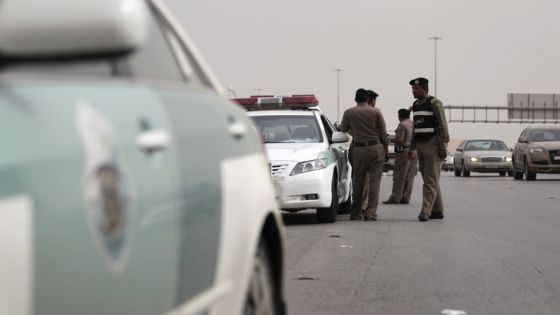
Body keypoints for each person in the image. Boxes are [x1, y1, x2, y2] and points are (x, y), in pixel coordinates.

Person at [339, 88, 388, 221]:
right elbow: (383, 134)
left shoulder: (349, 112)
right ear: (367, 99)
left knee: (358, 182)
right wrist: (386, 150)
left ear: (355, 99)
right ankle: (370, 212)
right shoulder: (376, 111)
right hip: (376, 148)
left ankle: (356, 212)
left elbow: (342, 129)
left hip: (359, 150)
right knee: (374, 183)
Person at [407, 77, 450, 222]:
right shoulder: (416, 105)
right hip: (420, 145)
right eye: (413, 88)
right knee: (429, 178)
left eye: (416, 89)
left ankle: (425, 211)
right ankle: (437, 210)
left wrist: (443, 145)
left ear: (425, 88)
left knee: (430, 181)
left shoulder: (434, 103)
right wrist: (411, 148)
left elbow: (443, 125)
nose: (413, 91)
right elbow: (415, 128)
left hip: (433, 145)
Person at [382, 108, 417, 205]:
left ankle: (395, 198)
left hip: (404, 152)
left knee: (399, 175)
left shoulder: (402, 125)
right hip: (413, 151)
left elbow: (399, 139)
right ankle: (406, 198)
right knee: (409, 176)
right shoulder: (412, 124)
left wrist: (389, 140)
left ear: (400, 116)